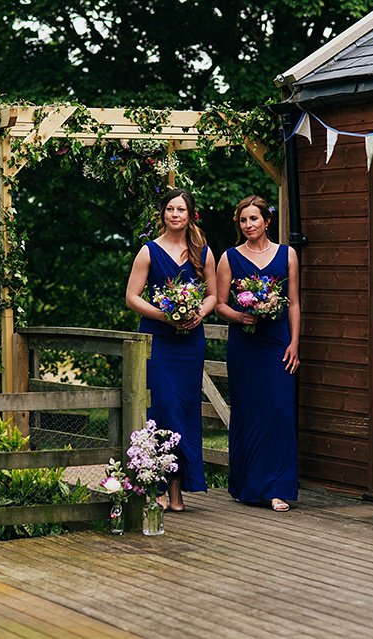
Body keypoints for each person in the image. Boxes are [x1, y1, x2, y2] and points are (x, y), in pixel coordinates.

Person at [125, 188, 216, 511]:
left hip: (190, 342)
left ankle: (179, 492)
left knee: (186, 410)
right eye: (170, 209)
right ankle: (158, 488)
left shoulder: (203, 252)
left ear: (190, 214)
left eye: (181, 210)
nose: (175, 215)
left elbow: (213, 296)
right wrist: (164, 315)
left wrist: (197, 314)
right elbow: (132, 297)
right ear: (162, 213)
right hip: (159, 341)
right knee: (163, 408)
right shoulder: (148, 251)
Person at [215, 195, 299, 512]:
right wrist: (239, 316)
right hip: (245, 344)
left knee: (279, 410)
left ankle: (277, 487)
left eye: (254, 219)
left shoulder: (287, 255)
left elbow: (294, 303)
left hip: (277, 342)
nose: (249, 225)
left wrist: (294, 343)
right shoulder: (229, 258)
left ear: (267, 221)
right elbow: (220, 303)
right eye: (243, 220)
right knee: (248, 411)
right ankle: (248, 486)